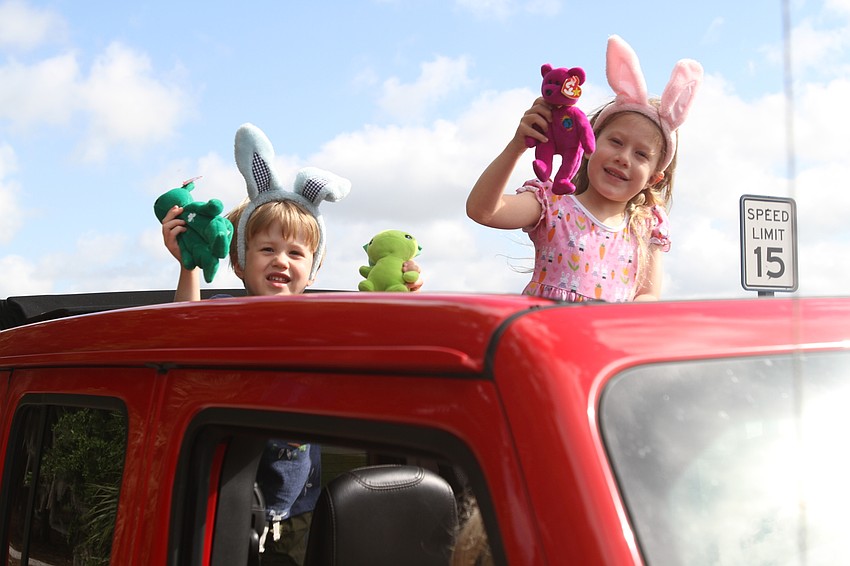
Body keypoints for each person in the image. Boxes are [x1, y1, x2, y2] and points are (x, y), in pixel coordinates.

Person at [159, 123, 421, 565]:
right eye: (267, 250)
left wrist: (406, 300)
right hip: (223, 506)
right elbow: (183, 339)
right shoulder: (224, 317)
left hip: (300, 511)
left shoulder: (322, 327)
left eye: (297, 253)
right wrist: (187, 269)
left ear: (313, 271)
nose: (282, 259)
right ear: (239, 261)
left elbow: (382, 352)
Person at [466, 35, 702, 302]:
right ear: (587, 143)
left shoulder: (647, 226)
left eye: (640, 154)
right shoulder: (551, 203)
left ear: (653, 178)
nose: (623, 158)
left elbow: (648, 295)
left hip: (603, 341)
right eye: (615, 142)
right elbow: (483, 211)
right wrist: (516, 146)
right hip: (548, 340)